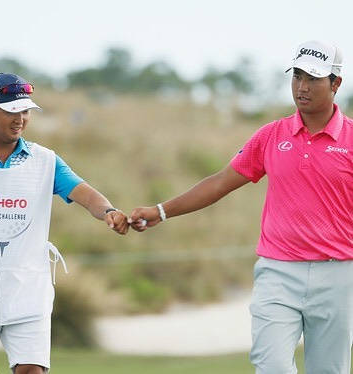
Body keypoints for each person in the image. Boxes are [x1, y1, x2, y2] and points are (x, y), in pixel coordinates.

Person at [129, 40, 353, 373]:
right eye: (297, 76)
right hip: (278, 272)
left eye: (313, 79)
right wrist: (161, 211)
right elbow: (220, 182)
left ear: (335, 84)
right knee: (271, 366)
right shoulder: (271, 135)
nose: (302, 87)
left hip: (338, 274)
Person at [0, 73, 129, 374]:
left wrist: (109, 211)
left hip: (27, 291)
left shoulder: (45, 160)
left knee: (32, 370)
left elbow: (85, 193)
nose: (20, 118)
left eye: (25, 111)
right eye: (11, 111)